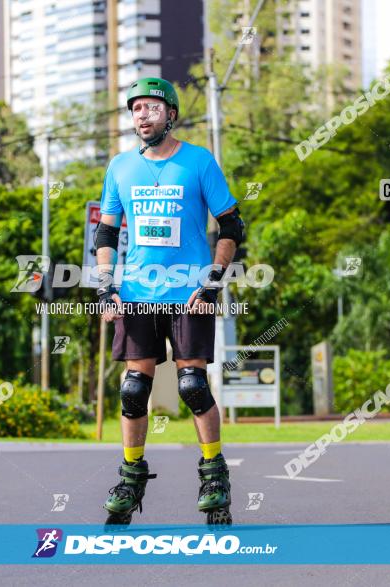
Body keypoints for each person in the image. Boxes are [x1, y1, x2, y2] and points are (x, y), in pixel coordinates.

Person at [96, 77, 245, 524]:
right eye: (136, 108)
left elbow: (232, 226)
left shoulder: (199, 162)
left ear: (172, 114)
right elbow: (105, 232)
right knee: (133, 388)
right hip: (138, 292)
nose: (143, 115)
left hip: (189, 291)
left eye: (152, 108)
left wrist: (213, 280)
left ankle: (214, 474)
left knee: (192, 386)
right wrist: (106, 284)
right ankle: (130, 475)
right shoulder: (120, 167)